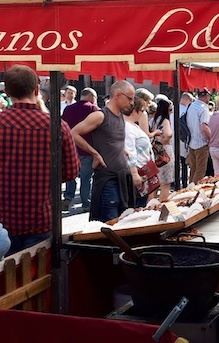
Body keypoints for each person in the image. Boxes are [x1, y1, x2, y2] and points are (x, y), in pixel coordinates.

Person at [0, 65, 80, 255]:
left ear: (6, 92)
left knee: (6, 280)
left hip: (3, 219)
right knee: (39, 277)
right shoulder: (57, 126)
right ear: (37, 90)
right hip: (41, 217)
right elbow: (71, 171)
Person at [71, 80, 136, 222]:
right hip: (108, 180)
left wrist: (122, 150)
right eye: (130, 98)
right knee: (109, 224)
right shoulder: (100, 115)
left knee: (122, 222)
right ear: (118, 95)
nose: (132, 103)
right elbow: (73, 133)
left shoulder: (120, 116)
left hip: (121, 177)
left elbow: (111, 140)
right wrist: (94, 153)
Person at [61, 87, 100, 212]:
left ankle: (68, 197)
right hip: (87, 149)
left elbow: (63, 126)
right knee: (86, 178)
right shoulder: (92, 109)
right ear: (91, 97)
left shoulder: (68, 109)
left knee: (71, 176)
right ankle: (85, 203)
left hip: (71, 148)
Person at [123, 96, 155, 208]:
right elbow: (129, 149)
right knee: (138, 206)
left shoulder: (133, 125)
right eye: (142, 110)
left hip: (143, 170)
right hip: (138, 171)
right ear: (134, 110)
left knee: (142, 203)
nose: (143, 113)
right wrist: (134, 174)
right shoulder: (127, 127)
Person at [186, 87, 211, 184]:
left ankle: (189, 189)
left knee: (193, 169)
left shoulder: (191, 105)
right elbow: (204, 127)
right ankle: (194, 191)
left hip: (191, 141)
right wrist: (210, 140)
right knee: (200, 170)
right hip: (201, 142)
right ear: (207, 96)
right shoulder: (203, 108)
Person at [152, 99, 175, 201]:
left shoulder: (155, 119)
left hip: (155, 149)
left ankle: (151, 204)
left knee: (156, 181)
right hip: (164, 150)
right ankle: (162, 203)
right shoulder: (165, 120)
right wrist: (164, 140)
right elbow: (169, 134)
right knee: (166, 182)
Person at [178, 92, 194, 188]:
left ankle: (176, 182)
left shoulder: (172, 109)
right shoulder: (186, 111)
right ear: (187, 99)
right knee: (185, 164)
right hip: (183, 141)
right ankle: (184, 183)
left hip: (173, 141)